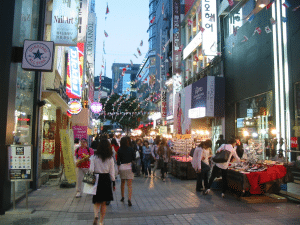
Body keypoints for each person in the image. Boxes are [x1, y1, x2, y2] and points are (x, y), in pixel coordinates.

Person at [89, 139, 115, 225]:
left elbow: (91, 170)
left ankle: (96, 216)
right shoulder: (110, 158)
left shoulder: (94, 157)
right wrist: (113, 182)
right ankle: (101, 221)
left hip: (96, 178)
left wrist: (89, 182)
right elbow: (112, 172)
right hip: (106, 179)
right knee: (104, 202)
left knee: (96, 201)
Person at [117, 136, 136, 206]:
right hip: (129, 167)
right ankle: (129, 199)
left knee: (122, 183)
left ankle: (122, 196)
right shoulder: (130, 149)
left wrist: (118, 169)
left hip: (122, 167)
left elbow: (118, 161)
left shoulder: (119, 149)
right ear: (127, 142)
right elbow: (134, 157)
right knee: (129, 184)